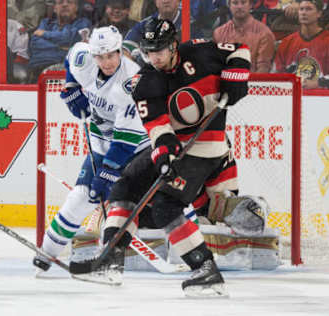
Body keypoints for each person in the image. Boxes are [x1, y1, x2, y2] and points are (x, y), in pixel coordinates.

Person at [70, 18, 250, 297]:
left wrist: (237, 73)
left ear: (174, 45)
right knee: (125, 184)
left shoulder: (201, 50)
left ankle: (206, 271)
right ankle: (110, 261)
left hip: (207, 146)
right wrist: (164, 154)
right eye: (148, 51)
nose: (154, 57)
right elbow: (157, 126)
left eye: (160, 50)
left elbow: (240, 50)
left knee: (166, 204)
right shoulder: (144, 81)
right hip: (178, 144)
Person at [32, 25, 150, 272]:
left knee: (152, 200)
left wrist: (107, 174)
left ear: (120, 51)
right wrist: (72, 88)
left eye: (111, 55)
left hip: (137, 147)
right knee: (81, 198)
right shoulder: (84, 58)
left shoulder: (132, 82)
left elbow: (123, 142)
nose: (106, 62)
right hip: (101, 141)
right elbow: (71, 58)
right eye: (100, 56)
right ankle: (47, 253)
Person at [273, 0, 329, 89]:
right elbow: (275, 75)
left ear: (319, 13)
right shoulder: (286, 43)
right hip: (292, 96)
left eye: (308, 9)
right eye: (301, 9)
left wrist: (318, 83)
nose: (304, 13)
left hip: (323, 98)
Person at [27, 0, 92, 83]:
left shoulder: (83, 23)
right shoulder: (46, 23)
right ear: (55, 8)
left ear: (76, 7)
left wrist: (45, 34)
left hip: (71, 74)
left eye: (69, 2)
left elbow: (69, 38)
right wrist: (64, 48)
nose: (65, 5)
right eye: (60, 2)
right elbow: (34, 44)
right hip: (38, 73)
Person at [123, 0, 204, 59]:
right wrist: (137, 54)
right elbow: (126, 47)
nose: (166, 1)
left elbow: (201, 51)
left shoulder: (191, 24)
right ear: (156, 2)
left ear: (178, 2)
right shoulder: (146, 24)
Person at [213, 0, 275, 73]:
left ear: (250, 5)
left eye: (243, 2)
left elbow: (264, 68)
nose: (239, 7)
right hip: (225, 81)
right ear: (229, 5)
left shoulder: (265, 33)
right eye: (235, 3)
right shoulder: (219, 33)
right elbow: (215, 65)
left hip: (253, 82)